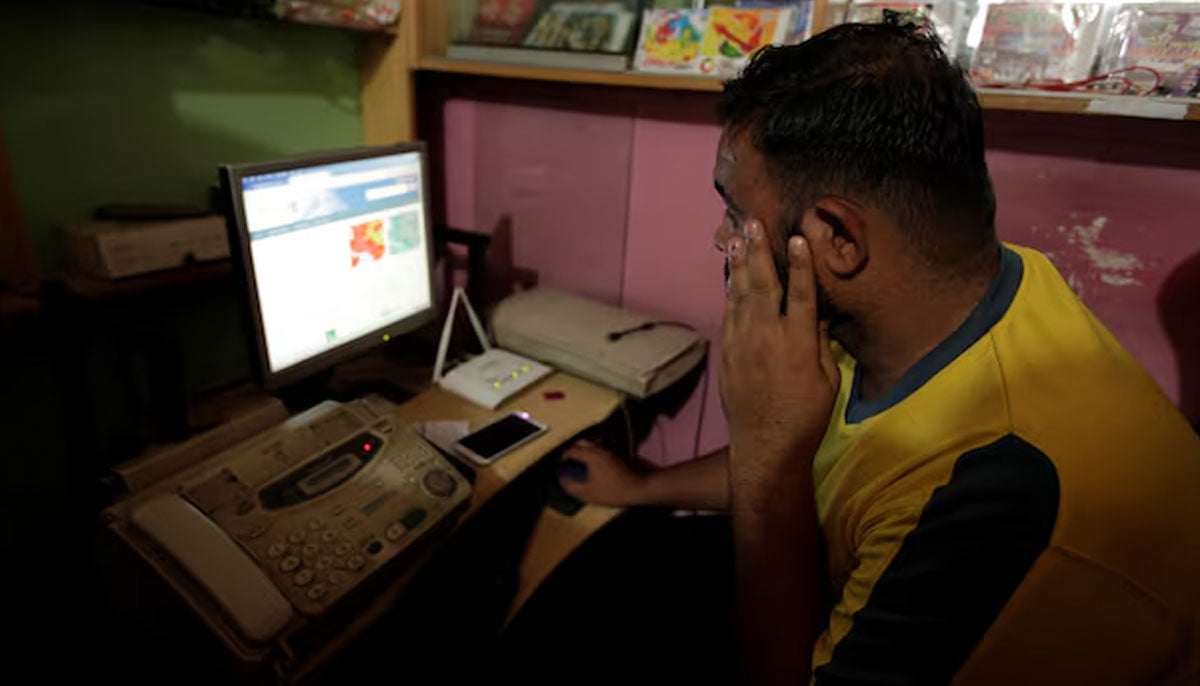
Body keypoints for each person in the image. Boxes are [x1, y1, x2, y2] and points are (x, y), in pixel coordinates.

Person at [503, 20, 1200, 686]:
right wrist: (646, 487)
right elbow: (835, 457)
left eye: (735, 212)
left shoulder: (996, 489)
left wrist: (762, 436)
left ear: (837, 234)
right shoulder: (966, 288)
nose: (723, 242)